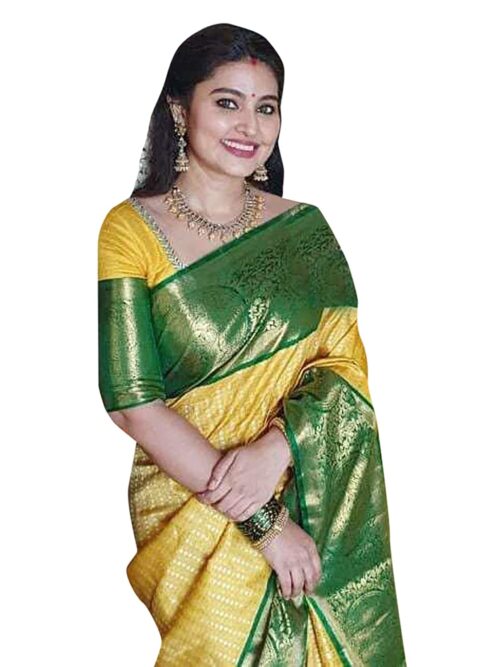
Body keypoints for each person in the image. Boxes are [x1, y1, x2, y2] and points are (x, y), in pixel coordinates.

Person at [98, 22, 406, 666]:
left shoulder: (304, 229)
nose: (250, 125)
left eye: (267, 107)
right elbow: (131, 401)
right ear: (180, 110)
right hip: (194, 510)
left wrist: (277, 447)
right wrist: (264, 523)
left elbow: (342, 366)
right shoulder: (130, 230)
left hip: (311, 490)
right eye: (227, 101)